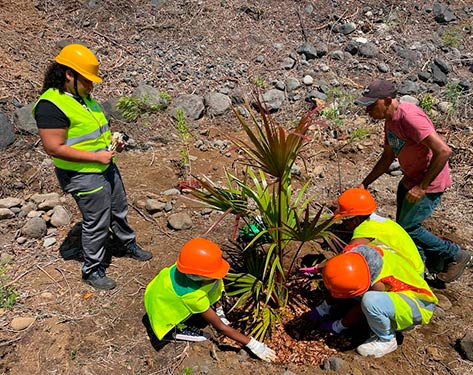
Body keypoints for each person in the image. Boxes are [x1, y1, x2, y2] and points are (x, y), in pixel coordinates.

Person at [33, 43, 152, 290]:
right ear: (69, 74)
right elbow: (53, 147)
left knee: (119, 208)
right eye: (87, 79)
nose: (92, 84)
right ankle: (93, 269)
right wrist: (96, 158)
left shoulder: (83, 98)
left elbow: (91, 133)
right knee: (96, 220)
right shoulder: (51, 105)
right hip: (82, 173)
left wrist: (111, 142)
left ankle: (124, 244)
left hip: (104, 165)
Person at [355, 79, 472, 283]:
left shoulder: (410, 118)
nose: (368, 111)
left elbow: (444, 151)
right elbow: (387, 157)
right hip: (410, 180)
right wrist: (366, 183)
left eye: (371, 106)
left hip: (428, 183)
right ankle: (420, 269)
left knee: (408, 228)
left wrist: (422, 187)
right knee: (404, 228)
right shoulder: (390, 121)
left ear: (388, 100)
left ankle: (455, 254)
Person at [305, 187, 425, 326]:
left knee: (349, 279)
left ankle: (368, 323)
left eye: (345, 220)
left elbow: (344, 262)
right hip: (408, 269)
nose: (343, 224)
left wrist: (317, 268)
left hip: (407, 281)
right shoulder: (378, 222)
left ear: (356, 219)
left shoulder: (364, 230)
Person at [143, 237, 277, 362]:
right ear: (199, 274)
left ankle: (209, 311)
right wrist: (253, 344)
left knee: (212, 285)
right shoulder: (193, 296)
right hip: (163, 311)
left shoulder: (188, 266)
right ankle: (177, 330)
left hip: (158, 292)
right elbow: (220, 327)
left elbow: (215, 286)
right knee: (182, 316)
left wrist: (219, 309)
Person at [321, 244, 438, 358]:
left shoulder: (378, 283)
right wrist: (322, 308)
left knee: (370, 301)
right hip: (401, 294)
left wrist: (338, 326)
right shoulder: (355, 253)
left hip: (419, 304)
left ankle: (387, 339)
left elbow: (360, 308)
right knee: (367, 300)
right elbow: (338, 274)